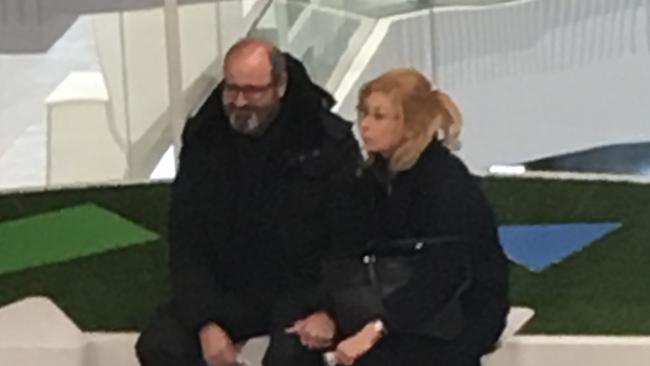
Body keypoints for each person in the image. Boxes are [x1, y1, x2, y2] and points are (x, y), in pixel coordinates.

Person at [136, 39, 360, 366]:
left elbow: (347, 240)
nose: (240, 102)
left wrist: (329, 310)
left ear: (280, 86)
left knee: (291, 358)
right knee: (160, 346)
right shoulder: (204, 139)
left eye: (253, 91)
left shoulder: (326, 142)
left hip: (302, 293)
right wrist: (205, 321)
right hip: (226, 289)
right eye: (232, 89)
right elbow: (186, 242)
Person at [329, 68, 510, 366]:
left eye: (379, 116)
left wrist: (377, 328)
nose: (365, 125)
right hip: (403, 302)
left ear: (411, 125)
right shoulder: (374, 176)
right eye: (364, 114)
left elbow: (444, 274)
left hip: (462, 309)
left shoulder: (444, 183)